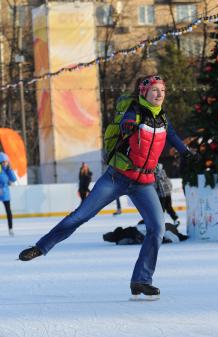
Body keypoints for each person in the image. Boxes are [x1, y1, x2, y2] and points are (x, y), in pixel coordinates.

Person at [18, 75, 197, 299]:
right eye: (154, 91)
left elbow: (172, 136)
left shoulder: (162, 119)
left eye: (162, 90)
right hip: (117, 177)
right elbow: (127, 121)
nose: (159, 94)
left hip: (144, 183)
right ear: (144, 93)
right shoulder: (135, 112)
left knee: (157, 229)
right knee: (80, 215)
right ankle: (41, 247)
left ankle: (141, 280)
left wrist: (185, 152)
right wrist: (128, 126)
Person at [0, 152, 17, 236]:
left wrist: (10, 169)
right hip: (1, 190)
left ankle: (10, 229)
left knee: (8, 211)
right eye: (4, 162)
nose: (5, 163)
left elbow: (13, 179)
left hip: (5, 193)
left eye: (6, 162)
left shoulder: (7, 169)